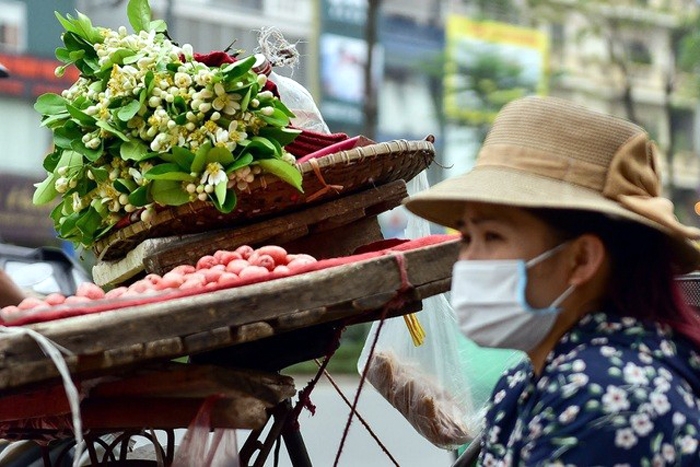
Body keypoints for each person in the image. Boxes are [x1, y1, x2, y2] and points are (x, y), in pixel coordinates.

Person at [404, 95, 700, 465]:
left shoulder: (607, 398)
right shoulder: (526, 380)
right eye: (467, 237)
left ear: (581, 259)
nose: (467, 262)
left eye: (492, 237)